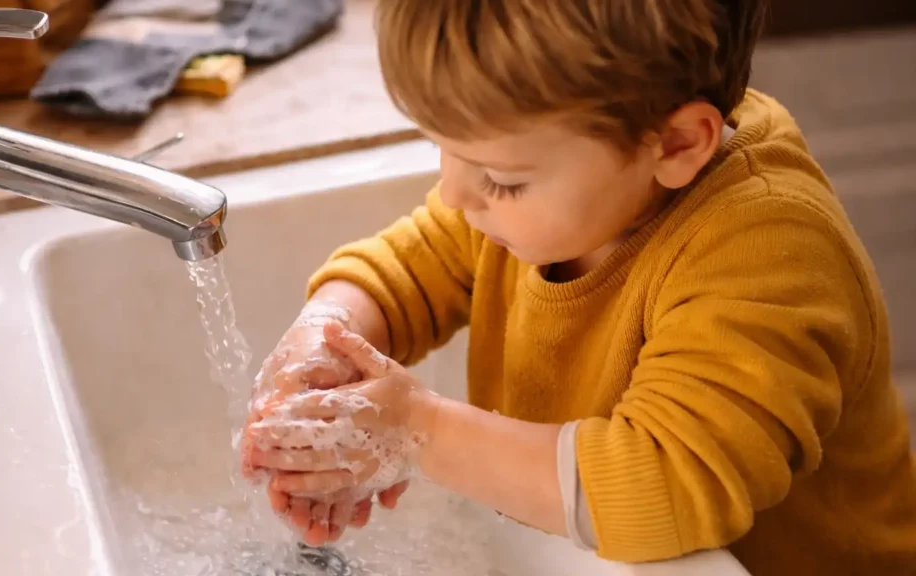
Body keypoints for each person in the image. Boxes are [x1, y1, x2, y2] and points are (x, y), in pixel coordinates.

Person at [239, 0, 916, 573]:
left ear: (679, 145)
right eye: (442, 149)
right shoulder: (574, 175)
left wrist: (416, 430)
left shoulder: (770, 257)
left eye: (501, 178)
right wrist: (329, 334)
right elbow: (414, 266)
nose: (453, 193)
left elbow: (666, 485)